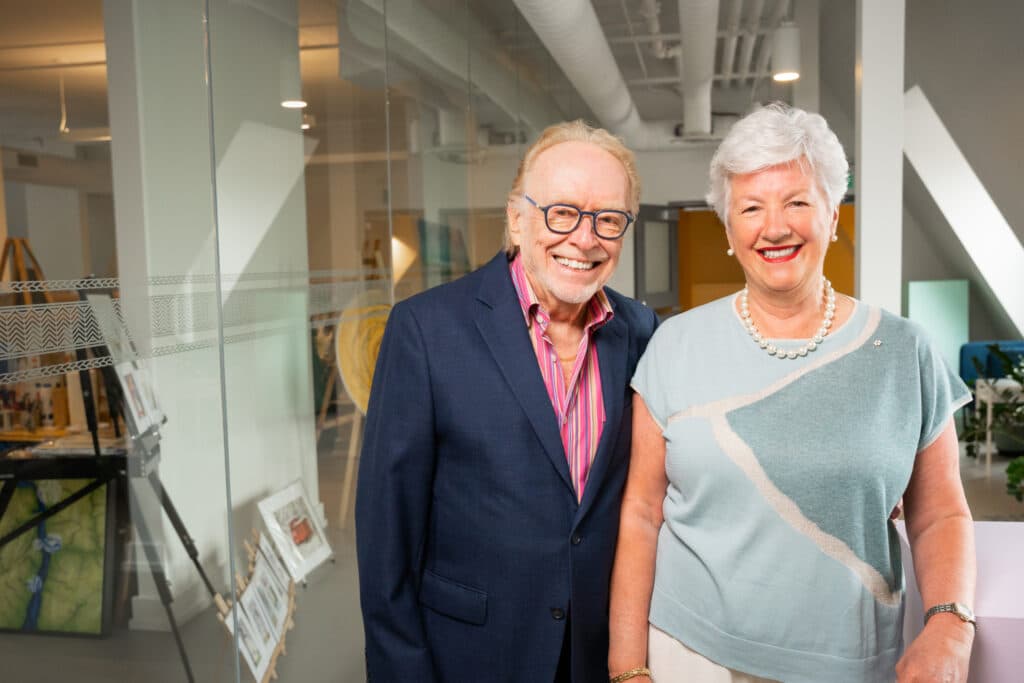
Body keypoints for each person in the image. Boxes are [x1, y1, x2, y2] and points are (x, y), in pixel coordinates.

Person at [608, 103, 976, 683]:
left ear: (832, 214)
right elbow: (641, 513)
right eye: (750, 208)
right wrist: (627, 668)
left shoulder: (905, 351)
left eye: (797, 202)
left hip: (848, 661)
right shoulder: (674, 345)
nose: (774, 227)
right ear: (729, 230)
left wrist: (950, 625)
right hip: (690, 651)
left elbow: (939, 513)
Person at [356, 119, 659, 682]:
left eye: (608, 219)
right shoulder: (426, 329)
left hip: (596, 655)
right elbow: (386, 537)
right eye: (562, 212)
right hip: (473, 654)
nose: (585, 238)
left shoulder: (640, 331)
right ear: (517, 218)